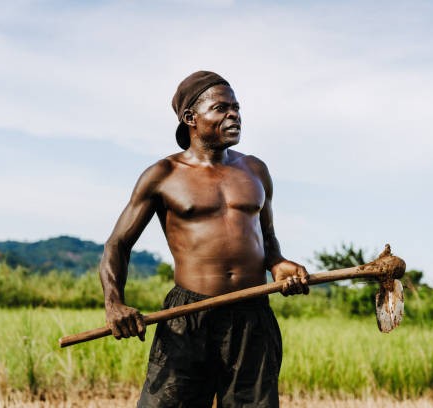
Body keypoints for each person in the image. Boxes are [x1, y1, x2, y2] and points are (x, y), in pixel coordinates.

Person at [99, 71, 310, 407]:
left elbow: (267, 239)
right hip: (189, 315)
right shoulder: (163, 175)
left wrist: (279, 264)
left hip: (251, 316)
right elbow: (117, 245)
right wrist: (114, 303)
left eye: (237, 108)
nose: (234, 115)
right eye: (221, 108)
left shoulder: (255, 171)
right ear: (191, 119)